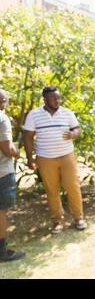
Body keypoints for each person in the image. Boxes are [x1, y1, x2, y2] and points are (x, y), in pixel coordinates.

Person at [24, 87, 86, 234]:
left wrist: (72, 134)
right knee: (51, 190)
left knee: (73, 187)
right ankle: (57, 221)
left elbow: (77, 129)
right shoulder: (34, 115)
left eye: (58, 98)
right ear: (45, 99)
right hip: (45, 158)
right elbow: (28, 137)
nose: (57, 101)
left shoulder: (66, 112)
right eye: (53, 99)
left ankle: (78, 218)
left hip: (67, 156)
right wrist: (29, 158)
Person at [0, 90, 25, 262]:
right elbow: (7, 149)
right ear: (3, 100)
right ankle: (2, 252)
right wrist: (16, 152)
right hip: (2, 172)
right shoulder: (2, 119)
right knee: (1, 211)